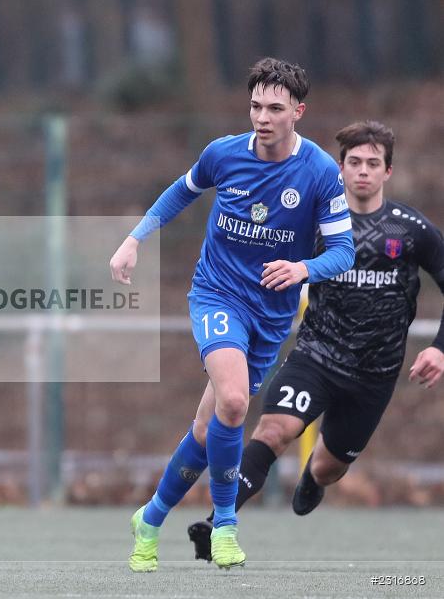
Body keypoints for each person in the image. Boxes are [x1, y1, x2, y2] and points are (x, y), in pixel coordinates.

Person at [109, 57, 356, 572]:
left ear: (298, 112)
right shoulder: (222, 154)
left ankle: (150, 519)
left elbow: (343, 252)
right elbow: (182, 192)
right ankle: (225, 524)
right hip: (217, 295)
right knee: (236, 401)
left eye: (274, 108)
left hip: (271, 314)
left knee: (209, 426)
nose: (262, 117)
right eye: (255, 106)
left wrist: (302, 268)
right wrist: (135, 239)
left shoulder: (319, 173)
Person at [187, 120, 444, 562]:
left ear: (388, 171)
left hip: (375, 374)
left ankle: (314, 478)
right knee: (274, 429)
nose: (363, 170)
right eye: (354, 162)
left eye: (373, 163)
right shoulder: (316, 220)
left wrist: (439, 346)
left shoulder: (412, 230)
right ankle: (218, 525)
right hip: (317, 355)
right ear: (339, 168)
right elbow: (261, 251)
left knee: (328, 467)